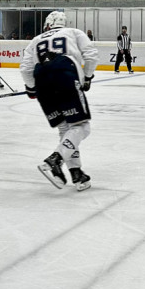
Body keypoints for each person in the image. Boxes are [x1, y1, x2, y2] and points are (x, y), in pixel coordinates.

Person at [20, 11, 98, 192]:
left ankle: (76, 173)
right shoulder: (73, 32)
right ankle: (55, 159)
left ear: (47, 24)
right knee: (82, 127)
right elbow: (91, 55)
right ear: (63, 23)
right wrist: (87, 77)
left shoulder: (36, 39)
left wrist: (32, 88)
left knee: (65, 129)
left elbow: (25, 69)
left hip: (42, 79)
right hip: (64, 75)